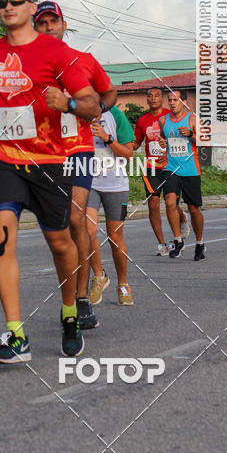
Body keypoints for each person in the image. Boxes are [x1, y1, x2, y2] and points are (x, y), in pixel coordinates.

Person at [0, 0, 101, 363]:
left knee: (61, 244)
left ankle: (69, 313)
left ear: (30, 8)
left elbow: (93, 105)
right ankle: (16, 335)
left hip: (49, 162)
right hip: (4, 158)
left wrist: (69, 102)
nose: (7, 7)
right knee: (1, 235)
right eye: (2, 3)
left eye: (16, 1)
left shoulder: (57, 51)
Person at [33, 0, 117, 329]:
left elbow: (108, 93)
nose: (49, 27)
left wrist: (97, 110)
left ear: (64, 25)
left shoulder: (84, 61)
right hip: (43, 151)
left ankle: (81, 299)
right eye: (42, 23)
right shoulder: (27, 64)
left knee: (75, 218)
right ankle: (74, 293)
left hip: (78, 149)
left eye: (54, 21)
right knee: (59, 227)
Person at [86, 105, 136, 305]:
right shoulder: (80, 114)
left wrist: (107, 138)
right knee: (88, 230)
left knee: (115, 237)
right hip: (89, 183)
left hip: (116, 185)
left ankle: (123, 284)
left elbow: (128, 154)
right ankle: (99, 276)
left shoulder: (116, 115)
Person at [133, 87, 189, 255]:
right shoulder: (142, 120)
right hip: (150, 167)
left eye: (157, 96)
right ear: (147, 99)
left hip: (170, 166)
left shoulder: (170, 116)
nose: (153, 98)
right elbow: (135, 143)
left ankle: (181, 217)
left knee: (171, 203)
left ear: (162, 98)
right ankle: (162, 244)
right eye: (149, 96)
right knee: (153, 204)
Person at [158, 89, 205, 261]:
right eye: (169, 100)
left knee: (193, 209)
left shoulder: (192, 119)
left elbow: (205, 141)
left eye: (175, 100)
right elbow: (163, 139)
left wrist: (191, 135)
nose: (172, 103)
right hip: (171, 168)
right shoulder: (163, 120)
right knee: (170, 202)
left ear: (184, 102)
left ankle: (200, 243)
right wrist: (162, 143)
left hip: (190, 169)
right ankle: (178, 241)